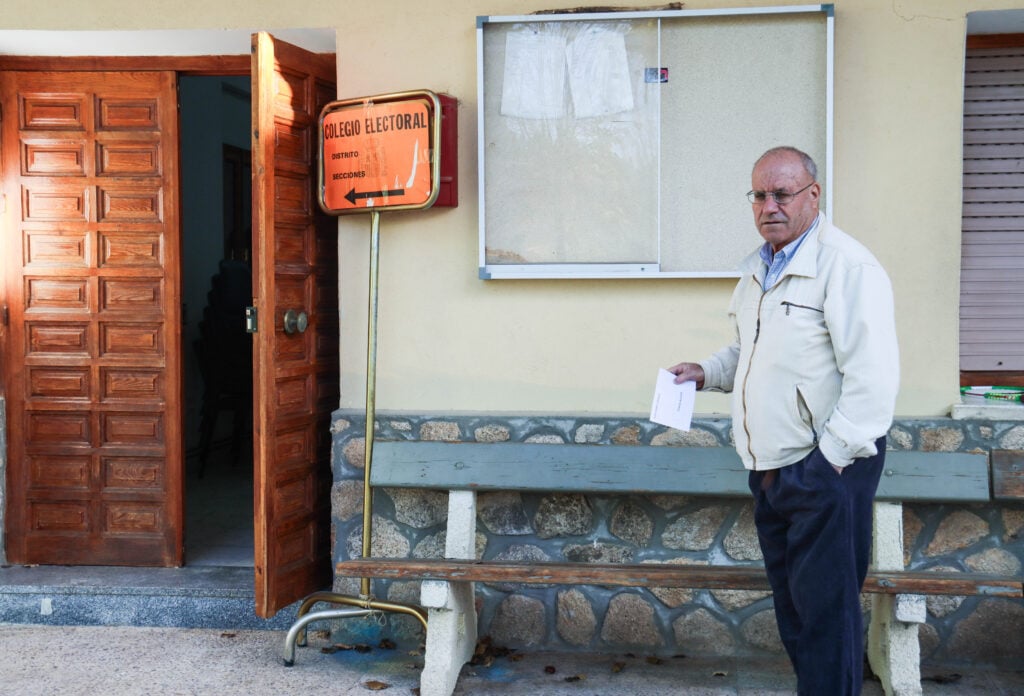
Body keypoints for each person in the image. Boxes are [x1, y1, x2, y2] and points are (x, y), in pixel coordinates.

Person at [669, 146, 899, 696]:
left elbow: (874, 379)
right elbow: (750, 350)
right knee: (797, 615)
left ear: (812, 195)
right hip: (770, 467)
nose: (769, 206)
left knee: (827, 617)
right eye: (759, 195)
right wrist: (706, 371)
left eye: (782, 193)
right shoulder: (760, 268)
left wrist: (828, 463)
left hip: (823, 470)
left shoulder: (847, 266)